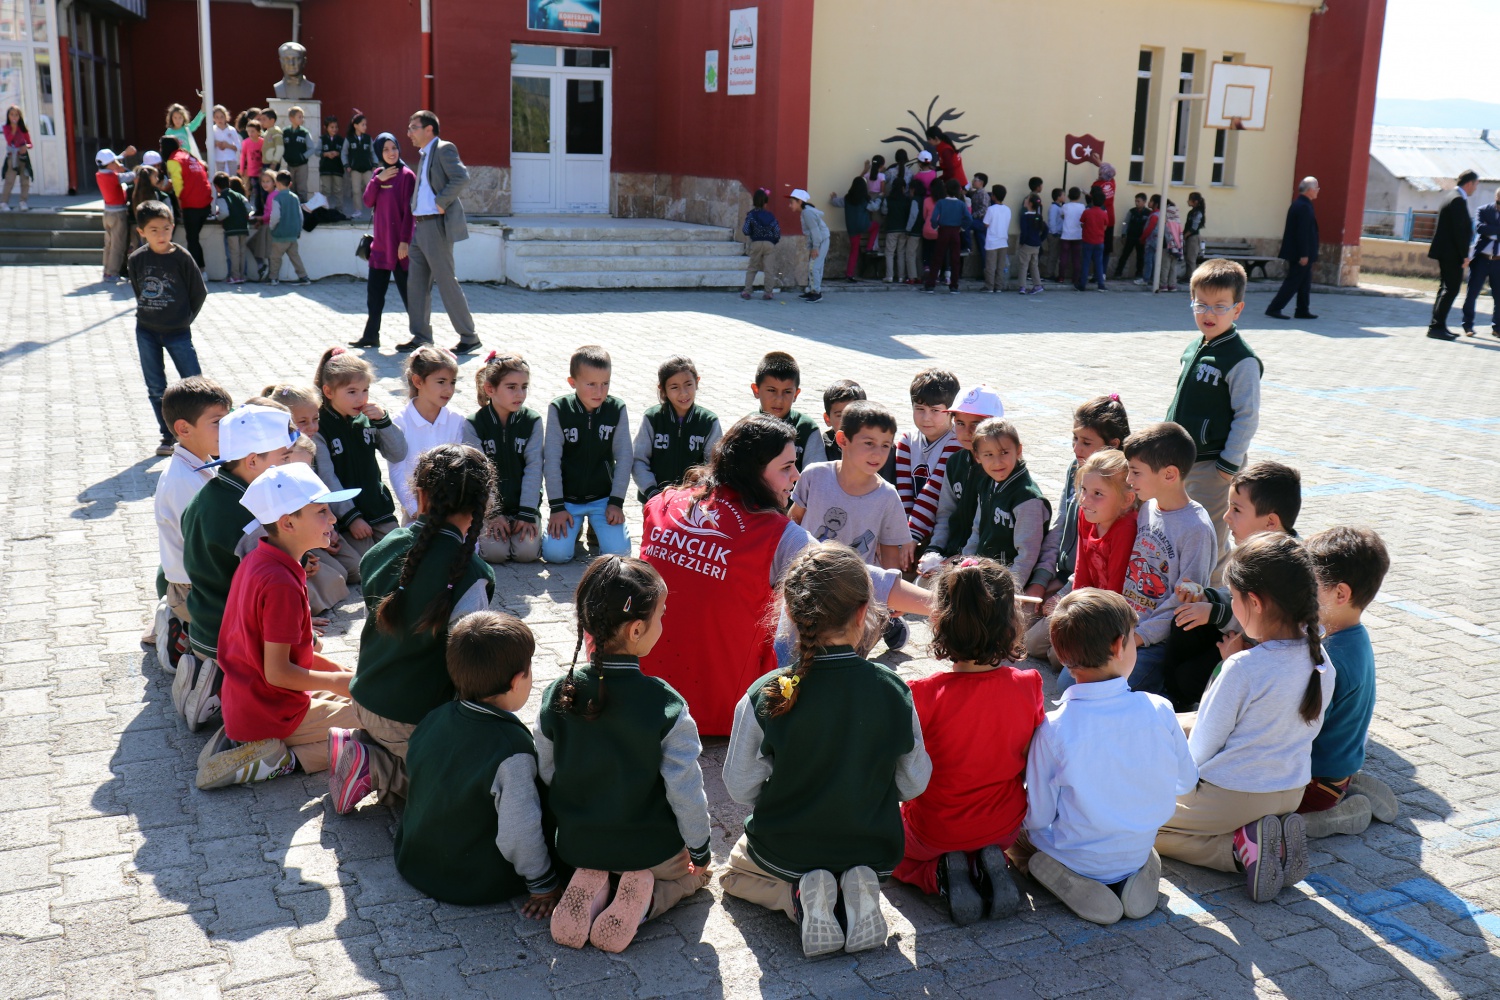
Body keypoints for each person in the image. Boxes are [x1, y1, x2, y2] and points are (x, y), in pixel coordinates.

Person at [639, 414, 934, 735]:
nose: (795, 475)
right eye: (786, 467)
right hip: (727, 711)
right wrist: (942, 605)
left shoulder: (662, 503)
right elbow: (856, 575)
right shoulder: (775, 535)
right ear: (753, 470)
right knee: (817, 601)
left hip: (650, 695)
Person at [721, 545, 932, 958]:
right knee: (853, 862)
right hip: (872, 847)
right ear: (864, 613)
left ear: (791, 614)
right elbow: (914, 782)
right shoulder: (894, 690)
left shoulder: (768, 692)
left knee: (732, 875)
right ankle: (853, 892)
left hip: (788, 847)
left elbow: (739, 785)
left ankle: (799, 898)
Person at [538, 556, 713, 954]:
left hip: (579, 844)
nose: (663, 624)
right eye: (661, 616)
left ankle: (596, 879)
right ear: (636, 630)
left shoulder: (556, 693)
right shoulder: (666, 704)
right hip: (649, 850)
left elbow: (547, 771)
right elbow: (686, 791)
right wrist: (700, 850)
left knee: (599, 859)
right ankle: (645, 902)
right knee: (697, 875)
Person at [1155, 534, 1333, 903]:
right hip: (1290, 792)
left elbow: (1199, 753)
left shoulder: (1243, 667)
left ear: (1255, 602)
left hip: (1232, 798)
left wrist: (1156, 778)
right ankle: (1266, 840)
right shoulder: (1321, 661)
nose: (1231, 608)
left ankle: (1237, 851)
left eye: (1233, 598)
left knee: (1133, 822)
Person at [1013, 589, 1196, 926]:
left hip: (1076, 854)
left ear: (1061, 655)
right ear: (1118, 646)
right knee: (1132, 840)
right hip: (1137, 844)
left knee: (1017, 839)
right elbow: (1186, 782)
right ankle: (1134, 872)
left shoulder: (1052, 729)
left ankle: (1068, 878)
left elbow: (1038, 818)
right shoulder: (1160, 708)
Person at [330, 444, 496, 814]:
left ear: (419, 497)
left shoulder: (384, 547)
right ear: (482, 507)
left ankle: (370, 743)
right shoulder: (472, 576)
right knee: (475, 791)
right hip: (411, 718)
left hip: (365, 697)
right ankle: (378, 767)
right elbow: (470, 672)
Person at [196, 463, 366, 789]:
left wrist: (345, 677)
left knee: (362, 696)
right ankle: (281, 757)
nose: (333, 519)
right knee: (384, 724)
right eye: (322, 511)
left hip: (249, 701)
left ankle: (243, 740)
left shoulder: (261, 559)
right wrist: (337, 681)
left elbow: (286, 657)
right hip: (272, 711)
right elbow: (278, 673)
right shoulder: (280, 584)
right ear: (288, 522)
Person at [892, 558, 1041, 925]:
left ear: (939, 624)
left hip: (935, 831)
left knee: (891, 851)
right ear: (1012, 624)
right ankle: (987, 864)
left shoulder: (921, 694)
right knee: (979, 834)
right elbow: (1029, 756)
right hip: (1003, 826)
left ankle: (939, 875)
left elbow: (904, 768)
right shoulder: (1030, 685)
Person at [395, 611, 560, 913]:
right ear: (516, 681)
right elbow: (519, 831)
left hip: (413, 859)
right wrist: (543, 884)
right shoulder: (512, 749)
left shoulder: (435, 717)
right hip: (471, 880)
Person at [178, 404, 299, 731]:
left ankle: (204, 672)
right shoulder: (249, 516)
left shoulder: (208, 493)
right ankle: (222, 692)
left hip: (202, 621)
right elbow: (268, 584)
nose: (288, 466)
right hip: (230, 637)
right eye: (284, 458)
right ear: (252, 461)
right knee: (294, 672)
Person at [1164, 460, 1300, 711]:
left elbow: (1262, 621)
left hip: (1256, 651)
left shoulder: (1285, 565)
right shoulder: (1254, 548)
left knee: (1188, 677)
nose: (1226, 517)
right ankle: (1170, 696)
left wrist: (1215, 612)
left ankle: (1180, 704)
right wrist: (1206, 596)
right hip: (1238, 632)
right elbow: (1234, 596)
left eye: (1236, 509)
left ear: (1271, 522)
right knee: (1184, 621)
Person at [1165, 259, 1263, 580]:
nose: (1209, 313)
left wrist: (1228, 465)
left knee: (1210, 535)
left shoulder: (1240, 359)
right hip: (1181, 460)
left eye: (1220, 306)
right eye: (1201, 304)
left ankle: (1214, 593)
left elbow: (1247, 416)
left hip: (1214, 466)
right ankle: (1181, 584)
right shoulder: (1194, 347)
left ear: (1237, 309)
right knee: (1181, 525)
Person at [1299, 527, 1397, 838]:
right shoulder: (1353, 637)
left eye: (1309, 585)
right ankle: (1346, 785)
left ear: (1341, 594)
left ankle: (1334, 815)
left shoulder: (1331, 660)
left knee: (1261, 812)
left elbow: (1299, 730)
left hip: (1314, 783)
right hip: (1336, 768)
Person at [1113, 422, 1217, 696]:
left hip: (1156, 642)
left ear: (1169, 474)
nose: (1129, 480)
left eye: (1136, 472)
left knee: (1112, 688)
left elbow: (1183, 603)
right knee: (1069, 677)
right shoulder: (1148, 508)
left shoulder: (1196, 529)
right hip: (1125, 626)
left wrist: (1138, 638)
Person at [1023, 394, 1131, 621]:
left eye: (1086, 442)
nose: (1076, 448)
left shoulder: (1121, 486)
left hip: (1090, 590)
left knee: (1040, 634)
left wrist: (1065, 595)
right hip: (1066, 576)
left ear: (1113, 445)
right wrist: (1040, 579)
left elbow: (1103, 572)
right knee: (1021, 616)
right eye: (1075, 438)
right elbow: (1060, 526)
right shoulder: (1076, 467)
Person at [152, 377, 233, 671]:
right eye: (217, 422)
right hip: (194, 590)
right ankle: (182, 628)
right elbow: (208, 551)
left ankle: (183, 623)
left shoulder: (202, 463)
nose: (228, 429)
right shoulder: (183, 482)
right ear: (184, 429)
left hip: (202, 580)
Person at [311, 347, 409, 560]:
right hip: (345, 517)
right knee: (365, 564)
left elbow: (398, 454)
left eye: (365, 390)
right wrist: (352, 517)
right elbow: (327, 476)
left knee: (404, 556)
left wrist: (384, 422)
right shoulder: (319, 426)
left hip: (378, 509)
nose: (361, 399)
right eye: (352, 392)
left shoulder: (368, 418)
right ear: (329, 392)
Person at [128, 200, 207, 456]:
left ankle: (204, 434)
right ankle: (168, 435)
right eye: (154, 230)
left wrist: (183, 319)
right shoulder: (136, 259)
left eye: (166, 228)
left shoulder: (182, 257)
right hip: (146, 331)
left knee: (194, 384)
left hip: (178, 332)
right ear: (141, 232)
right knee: (155, 386)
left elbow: (199, 292)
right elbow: (139, 290)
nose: (161, 234)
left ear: (173, 226)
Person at [790, 402, 909, 570]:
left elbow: (890, 560)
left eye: (885, 445)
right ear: (843, 440)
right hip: (805, 577)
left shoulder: (888, 497)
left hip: (855, 585)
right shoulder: (814, 475)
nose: (878, 453)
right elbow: (794, 521)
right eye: (869, 443)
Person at [541, 345, 632, 563]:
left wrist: (616, 502)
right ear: (572, 382)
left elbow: (625, 457)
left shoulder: (616, 408)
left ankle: (596, 528)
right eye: (591, 384)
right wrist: (557, 507)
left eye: (605, 383)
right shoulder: (559, 408)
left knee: (618, 555)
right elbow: (551, 460)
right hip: (568, 501)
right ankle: (576, 527)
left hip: (604, 500)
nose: (599, 391)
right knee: (556, 555)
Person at [403, 110, 481, 354]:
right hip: (420, 227)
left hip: (436, 225)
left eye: (413, 127)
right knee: (416, 285)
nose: (409, 133)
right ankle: (421, 337)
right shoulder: (425, 154)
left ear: (429, 129)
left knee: (446, 282)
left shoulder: (444, 148)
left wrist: (441, 201)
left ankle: (469, 337)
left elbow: (461, 177)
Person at [388, 346, 483, 522]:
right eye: (441, 382)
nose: (449, 390)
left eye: (452, 382)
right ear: (418, 381)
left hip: (452, 509)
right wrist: (415, 510)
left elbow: (464, 466)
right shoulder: (400, 422)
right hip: (416, 510)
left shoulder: (457, 420)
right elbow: (397, 471)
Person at [917, 384, 1005, 566]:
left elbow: (986, 529)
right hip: (953, 553)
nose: (967, 432)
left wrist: (960, 560)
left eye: (976, 424)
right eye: (960, 423)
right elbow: (945, 513)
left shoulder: (1000, 470)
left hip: (985, 561)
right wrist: (934, 550)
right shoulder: (955, 462)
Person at [470, 352, 544, 565]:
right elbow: (479, 474)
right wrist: (492, 513)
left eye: (524, 387)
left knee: (526, 554)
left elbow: (534, 468)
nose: (520, 394)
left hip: (523, 508)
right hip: (490, 509)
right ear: (490, 389)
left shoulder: (532, 421)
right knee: (495, 554)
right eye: (511, 387)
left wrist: (527, 513)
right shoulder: (474, 424)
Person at [962, 419, 1050, 587]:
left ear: (1018, 451)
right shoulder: (987, 483)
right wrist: (964, 564)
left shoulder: (1027, 499)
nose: (997, 462)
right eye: (988, 455)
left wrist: (1011, 591)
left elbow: (1026, 555)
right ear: (977, 456)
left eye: (1004, 452)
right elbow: (977, 530)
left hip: (1009, 583)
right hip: (983, 574)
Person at [349, 133, 415, 348]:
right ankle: (371, 336)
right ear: (379, 152)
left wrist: (405, 241)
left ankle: (420, 336)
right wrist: (378, 180)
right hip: (380, 247)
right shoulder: (378, 174)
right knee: (374, 295)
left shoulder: (407, 176)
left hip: (400, 248)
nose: (391, 153)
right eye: (385, 149)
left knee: (409, 295)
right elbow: (368, 201)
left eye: (393, 148)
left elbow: (410, 212)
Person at [633, 356, 722, 502]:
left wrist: (697, 492)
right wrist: (652, 492)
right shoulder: (652, 418)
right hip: (655, 500)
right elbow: (639, 460)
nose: (683, 393)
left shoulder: (708, 422)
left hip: (693, 502)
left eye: (688, 384)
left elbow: (713, 465)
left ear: (697, 382)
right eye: (674, 387)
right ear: (662, 389)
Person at [896, 368, 961, 547]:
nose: (926, 418)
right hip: (912, 529)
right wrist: (902, 536)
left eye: (935, 410)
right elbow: (904, 495)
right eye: (920, 409)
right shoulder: (907, 441)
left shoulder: (956, 442)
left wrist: (911, 536)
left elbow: (932, 491)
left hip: (946, 530)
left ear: (951, 412)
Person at [1427, 170, 1480, 341]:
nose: (1476, 188)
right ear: (1469, 183)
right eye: (1476, 185)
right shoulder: (1457, 199)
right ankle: (1436, 327)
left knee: (1445, 288)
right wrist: (1465, 255)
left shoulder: (1451, 196)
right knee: (1451, 289)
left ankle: (1438, 325)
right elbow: (1459, 231)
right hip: (1451, 253)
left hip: (1447, 251)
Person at [749, 350, 824, 470]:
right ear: (756, 390)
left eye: (787, 392)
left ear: (796, 394)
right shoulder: (747, 427)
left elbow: (817, 475)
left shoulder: (806, 429)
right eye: (771, 390)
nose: (779, 400)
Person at [1266, 177, 1321, 321]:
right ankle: (1274, 308)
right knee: (1293, 282)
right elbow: (1302, 232)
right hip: (1300, 253)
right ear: (1310, 190)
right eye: (1317, 188)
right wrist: (1304, 254)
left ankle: (1302, 310)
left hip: (1301, 252)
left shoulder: (1302, 204)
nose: (1318, 191)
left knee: (1304, 282)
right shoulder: (1303, 206)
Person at [161, 136, 214, 269]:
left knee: (192, 239)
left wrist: (180, 206)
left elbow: (178, 186)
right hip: (205, 201)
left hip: (191, 204)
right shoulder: (189, 156)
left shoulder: (174, 160)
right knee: (194, 238)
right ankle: (200, 269)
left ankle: (198, 270)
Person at [1461, 186, 1500, 338]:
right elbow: (1480, 228)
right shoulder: (1484, 210)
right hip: (1482, 259)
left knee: (1498, 297)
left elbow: (1487, 229)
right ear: (1495, 198)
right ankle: (1468, 325)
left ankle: (1497, 328)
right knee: (1472, 294)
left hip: (1498, 262)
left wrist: (1491, 229)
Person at [264, 170, 311, 286]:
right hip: (293, 234)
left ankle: (273, 278)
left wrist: (272, 227)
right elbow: (300, 216)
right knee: (295, 257)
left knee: (275, 257)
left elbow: (275, 216)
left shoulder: (277, 198)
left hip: (280, 234)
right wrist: (298, 230)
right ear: (290, 183)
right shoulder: (295, 197)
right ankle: (303, 277)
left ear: (277, 183)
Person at [96, 148, 135, 281]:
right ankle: (112, 273)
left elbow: (113, 164)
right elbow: (132, 176)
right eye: (114, 162)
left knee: (108, 244)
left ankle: (106, 271)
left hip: (107, 213)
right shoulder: (114, 177)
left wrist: (123, 155)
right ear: (110, 164)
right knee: (118, 245)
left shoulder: (99, 174)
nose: (117, 164)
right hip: (118, 214)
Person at [924, 179, 968, 294]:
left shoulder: (941, 203)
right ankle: (954, 286)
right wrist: (962, 228)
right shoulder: (961, 204)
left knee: (937, 257)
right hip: (955, 231)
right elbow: (969, 219)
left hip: (943, 230)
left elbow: (934, 219)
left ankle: (930, 285)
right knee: (955, 259)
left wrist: (935, 227)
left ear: (946, 190)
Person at [788, 188, 828, 303]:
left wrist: (815, 247)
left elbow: (815, 232)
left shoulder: (807, 213)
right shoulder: (805, 212)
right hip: (820, 240)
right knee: (814, 266)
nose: (790, 205)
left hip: (821, 241)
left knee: (814, 267)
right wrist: (812, 246)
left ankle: (816, 293)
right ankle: (812, 290)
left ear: (800, 201)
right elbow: (811, 232)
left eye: (792, 202)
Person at [830, 174, 872, 282]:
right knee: (875, 226)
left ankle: (849, 274)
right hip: (863, 226)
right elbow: (873, 207)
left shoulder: (847, 199)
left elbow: (835, 202)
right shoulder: (865, 199)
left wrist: (833, 197)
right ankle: (869, 248)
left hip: (852, 228)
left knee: (854, 250)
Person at [741, 187, 780, 300]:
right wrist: (773, 241)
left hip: (756, 243)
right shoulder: (771, 216)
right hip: (769, 244)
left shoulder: (751, 215)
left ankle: (747, 291)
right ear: (766, 202)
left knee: (752, 268)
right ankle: (768, 292)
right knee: (769, 269)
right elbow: (777, 232)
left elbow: (745, 230)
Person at [211, 172, 251, 284]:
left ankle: (235, 276)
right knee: (242, 252)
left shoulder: (222, 197)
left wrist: (217, 217)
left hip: (231, 229)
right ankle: (243, 275)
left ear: (216, 186)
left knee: (234, 253)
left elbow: (224, 213)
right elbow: (249, 208)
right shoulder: (239, 195)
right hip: (243, 227)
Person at [819, 379, 865, 461]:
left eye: (854, 415)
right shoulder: (821, 448)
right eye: (840, 415)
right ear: (827, 419)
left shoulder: (877, 446)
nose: (848, 422)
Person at [883, 177, 914, 284]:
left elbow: (884, 211)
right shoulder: (907, 200)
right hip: (903, 229)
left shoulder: (888, 199)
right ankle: (901, 277)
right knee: (901, 253)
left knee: (889, 253)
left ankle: (889, 276)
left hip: (891, 228)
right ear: (903, 188)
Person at [344, 113, 375, 220]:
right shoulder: (349, 139)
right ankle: (358, 210)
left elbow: (373, 152)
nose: (365, 127)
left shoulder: (368, 138)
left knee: (371, 189)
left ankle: (375, 210)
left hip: (367, 168)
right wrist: (346, 165)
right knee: (356, 190)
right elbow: (344, 153)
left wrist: (374, 164)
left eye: (365, 124)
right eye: (363, 124)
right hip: (355, 169)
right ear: (355, 125)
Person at [1077, 188, 1108, 291]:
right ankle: (1101, 285)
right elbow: (1105, 227)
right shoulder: (1104, 213)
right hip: (1099, 241)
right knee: (1099, 263)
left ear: (1092, 200)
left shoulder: (1087, 212)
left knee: (1085, 262)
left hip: (1087, 240)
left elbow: (1082, 224)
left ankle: (1082, 284)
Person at [2, 105, 33, 210]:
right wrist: (14, 129)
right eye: (12, 115)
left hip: (23, 157)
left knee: (25, 181)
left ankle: (23, 202)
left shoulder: (23, 129)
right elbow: (9, 140)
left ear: (20, 117)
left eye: (16, 115)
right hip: (12, 158)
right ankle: (4, 203)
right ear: (8, 116)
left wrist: (26, 146)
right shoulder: (6, 128)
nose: (14, 117)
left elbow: (30, 144)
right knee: (9, 180)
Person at [982, 185, 1011, 292]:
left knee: (990, 266)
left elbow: (986, 223)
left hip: (992, 241)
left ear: (993, 196)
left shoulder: (991, 209)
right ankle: (998, 286)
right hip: (1003, 241)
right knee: (1000, 266)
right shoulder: (1008, 209)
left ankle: (989, 286)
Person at [1115, 193, 1150, 279]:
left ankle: (1139, 273)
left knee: (1140, 257)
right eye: (1135, 201)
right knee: (1124, 255)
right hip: (1131, 237)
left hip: (1141, 238)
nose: (1136, 203)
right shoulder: (1132, 211)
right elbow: (1125, 222)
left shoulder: (1148, 213)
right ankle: (1118, 272)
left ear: (1144, 202)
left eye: (1138, 201)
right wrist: (1124, 234)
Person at [281, 106, 313, 200]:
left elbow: (311, 148)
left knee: (301, 188)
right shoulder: (285, 132)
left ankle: (303, 206)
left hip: (302, 165)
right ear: (291, 118)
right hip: (290, 164)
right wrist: (285, 156)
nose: (302, 119)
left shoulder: (304, 132)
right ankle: (292, 206)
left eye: (302, 117)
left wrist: (303, 157)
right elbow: (281, 146)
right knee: (291, 187)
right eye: (299, 117)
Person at [1016, 194, 1046, 295]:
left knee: (1023, 265)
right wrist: (1040, 240)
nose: (1025, 201)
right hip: (1036, 244)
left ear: (1030, 203)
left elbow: (1024, 232)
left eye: (1027, 199)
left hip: (1027, 244)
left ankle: (1022, 286)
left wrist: (1021, 242)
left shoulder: (1024, 217)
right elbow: (1045, 229)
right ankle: (1037, 285)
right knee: (1034, 265)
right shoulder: (1039, 216)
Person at [318, 115, 347, 211]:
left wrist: (338, 153)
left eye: (336, 127)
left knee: (338, 189)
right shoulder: (322, 139)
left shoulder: (341, 140)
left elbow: (345, 152)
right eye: (332, 127)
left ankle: (339, 209)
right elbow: (317, 152)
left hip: (337, 168)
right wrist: (325, 154)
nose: (334, 129)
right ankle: (324, 209)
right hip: (325, 168)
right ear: (325, 127)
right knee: (326, 190)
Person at [1058, 187, 1085, 286]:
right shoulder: (1082, 207)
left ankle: (1061, 277)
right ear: (1079, 196)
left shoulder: (1065, 206)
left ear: (1069, 196)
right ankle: (1075, 278)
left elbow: (1062, 216)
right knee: (1076, 258)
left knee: (1063, 257)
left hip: (1066, 234)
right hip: (1078, 235)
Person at [1135, 194, 1163, 287]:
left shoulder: (1154, 215)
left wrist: (1142, 238)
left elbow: (1149, 229)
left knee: (1148, 260)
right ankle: (1153, 278)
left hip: (1151, 241)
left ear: (1156, 204)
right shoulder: (1159, 214)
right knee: (1153, 260)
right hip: (1155, 240)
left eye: (1151, 201)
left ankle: (1146, 279)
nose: (1149, 203)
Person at [209, 105, 241, 183]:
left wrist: (228, 146)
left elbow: (239, 146)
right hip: (218, 159)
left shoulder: (231, 130)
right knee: (220, 181)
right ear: (213, 118)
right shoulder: (212, 130)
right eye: (217, 117)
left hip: (231, 159)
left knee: (232, 179)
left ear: (225, 117)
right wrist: (216, 143)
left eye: (221, 117)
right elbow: (208, 144)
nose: (219, 119)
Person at [1183, 192, 1206, 280]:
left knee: (1191, 259)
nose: (1187, 201)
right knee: (1187, 258)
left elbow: (1194, 227)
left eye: (1190, 199)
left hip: (1193, 237)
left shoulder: (1198, 212)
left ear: (1195, 201)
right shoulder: (1192, 212)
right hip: (1189, 237)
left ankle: (1192, 278)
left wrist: (1186, 235)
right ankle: (1187, 276)